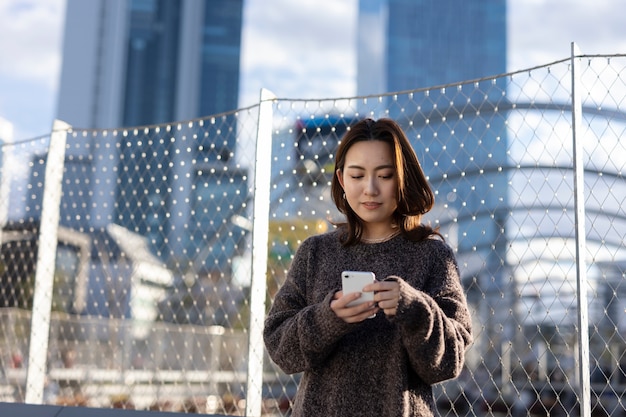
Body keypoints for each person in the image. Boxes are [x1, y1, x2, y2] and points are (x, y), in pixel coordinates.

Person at [263, 117, 473, 417]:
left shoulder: (433, 255)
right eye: (357, 175)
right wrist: (327, 317)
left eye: (385, 175)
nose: (370, 189)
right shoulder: (315, 252)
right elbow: (280, 349)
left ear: (403, 178)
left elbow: (449, 362)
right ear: (341, 180)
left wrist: (415, 309)